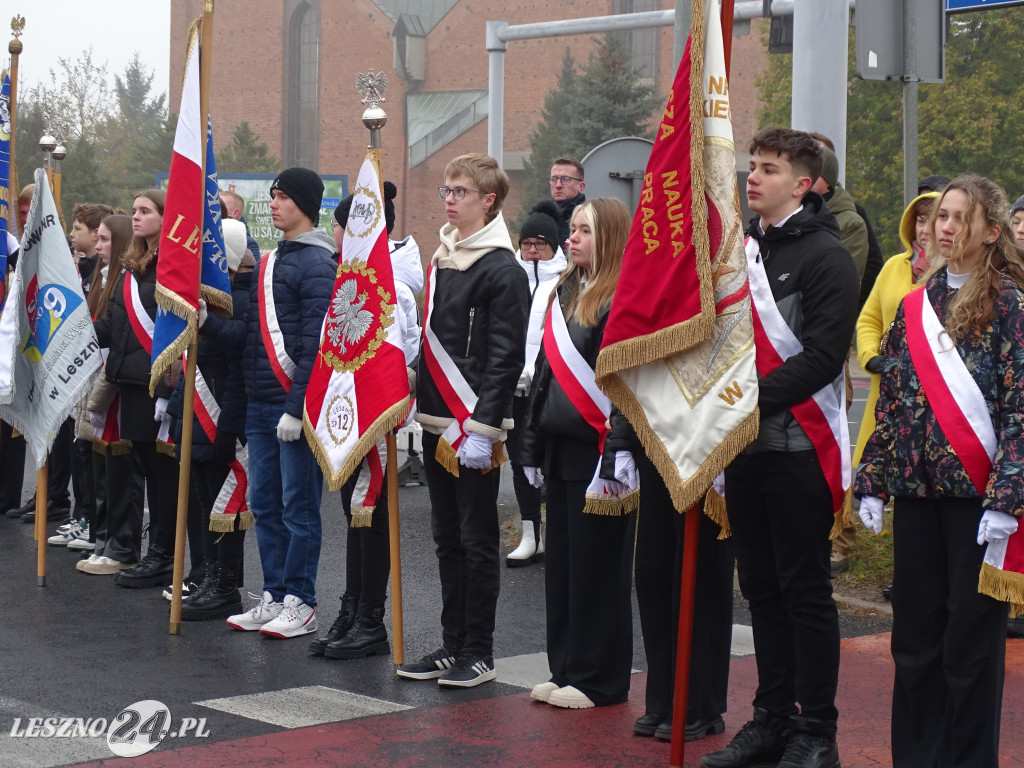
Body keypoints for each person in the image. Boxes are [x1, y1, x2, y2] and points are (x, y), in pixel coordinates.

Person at [701, 128, 857, 768]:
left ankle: (816, 729)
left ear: (803, 182)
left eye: (768, 169)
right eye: (752, 167)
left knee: (805, 592)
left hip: (799, 450)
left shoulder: (827, 257)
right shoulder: (738, 252)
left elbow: (822, 358)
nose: (753, 178)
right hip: (746, 449)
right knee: (761, 589)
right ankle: (771, 717)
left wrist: (742, 401)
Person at [855, 174, 1023, 766]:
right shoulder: (912, 307)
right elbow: (895, 399)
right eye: (940, 216)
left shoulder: (1011, 306)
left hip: (979, 505)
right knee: (915, 641)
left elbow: (1019, 405)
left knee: (970, 648)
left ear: (992, 233)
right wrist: (873, 479)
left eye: (960, 218)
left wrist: (1007, 496)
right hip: (917, 495)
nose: (944, 227)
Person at [397, 153, 528, 688]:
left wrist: (484, 425)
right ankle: (452, 644)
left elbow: (504, 357)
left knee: (477, 541)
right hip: (434, 419)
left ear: (488, 200)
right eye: (446, 190)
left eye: (460, 191)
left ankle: (480, 650)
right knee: (446, 538)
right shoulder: (443, 259)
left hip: (472, 427)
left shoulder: (503, 269)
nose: (449, 199)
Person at [518, 197, 636, 709]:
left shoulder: (622, 297)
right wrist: (530, 444)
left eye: (584, 231)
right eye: (573, 229)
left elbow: (626, 383)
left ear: (607, 237)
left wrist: (620, 449)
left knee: (599, 566)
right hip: (560, 444)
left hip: (601, 447)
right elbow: (544, 373)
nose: (572, 238)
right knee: (564, 564)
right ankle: (564, 665)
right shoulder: (564, 289)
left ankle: (599, 679)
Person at [219, 167, 336, 638]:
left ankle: (301, 601)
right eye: (272, 196)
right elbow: (251, 336)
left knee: (298, 507)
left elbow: (315, 344)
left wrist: (296, 406)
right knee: (265, 503)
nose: (274, 204)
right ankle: (274, 593)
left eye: (284, 197)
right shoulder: (269, 261)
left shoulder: (317, 264)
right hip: (259, 402)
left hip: (293, 407)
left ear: (305, 205)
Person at [308, 181, 423, 658]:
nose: (338, 235)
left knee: (370, 517)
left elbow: (407, 349)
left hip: (375, 414)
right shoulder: (346, 281)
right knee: (352, 517)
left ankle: (372, 619)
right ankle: (352, 607)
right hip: (345, 414)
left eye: (342, 227)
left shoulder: (392, 283)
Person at [91, 191, 181, 587]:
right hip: (128, 380)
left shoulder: (172, 267)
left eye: (146, 211)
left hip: (156, 384)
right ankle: (154, 550)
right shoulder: (133, 268)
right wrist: (73, 331)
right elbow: (115, 326)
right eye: (135, 211)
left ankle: (163, 554)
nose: (137, 217)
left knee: (162, 474)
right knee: (145, 467)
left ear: (165, 217)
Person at [852, 191, 939, 600]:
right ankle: (902, 572)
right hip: (888, 396)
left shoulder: (955, 275)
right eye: (919, 220)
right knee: (888, 480)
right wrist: (871, 358)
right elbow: (869, 318)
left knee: (926, 487)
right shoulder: (893, 267)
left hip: (938, 402)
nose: (925, 228)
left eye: (933, 219)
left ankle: (922, 574)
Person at [173, 218, 253, 620]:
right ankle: (208, 575)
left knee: (227, 505)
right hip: (199, 406)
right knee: (206, 500)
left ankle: (225, 585)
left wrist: (229, 426)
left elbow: (239, 352)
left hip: (224, 410)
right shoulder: (208, 296)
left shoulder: (242, 296)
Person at [75, 214, 147, 574]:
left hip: (122, 379)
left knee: (123, 467)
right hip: (109, 372)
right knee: (102, 463)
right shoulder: (103, 279)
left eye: (104, 240)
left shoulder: (125, 279)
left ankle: (122, 544)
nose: (98, 246)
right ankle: (104, 536)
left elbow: (118, 328)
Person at [505, 199, 567, 567]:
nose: (531, 249)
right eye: (527, 243)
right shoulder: (508, 277)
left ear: (551, 246)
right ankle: (530, 532)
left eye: (539, 244)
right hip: (515, 390)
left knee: (550, 461)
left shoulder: (565, 280)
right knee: (519, 462)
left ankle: (554, 532)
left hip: (550, 391)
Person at [549, 158, 586, 249]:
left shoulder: (589, 218)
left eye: (565, 179)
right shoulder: (541, 218)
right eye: (554, 179)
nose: (558, 185)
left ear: (581, 186)